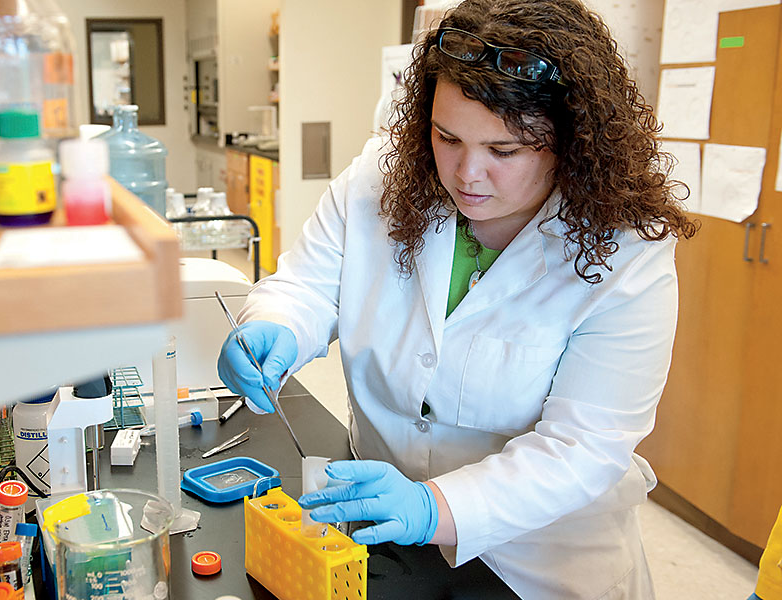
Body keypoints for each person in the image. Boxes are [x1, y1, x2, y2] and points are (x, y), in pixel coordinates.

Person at [217, 0, 697, 597]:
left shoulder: (626, 250)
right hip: (382, 530)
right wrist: (277, 322)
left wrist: (435, 506)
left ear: (571, 144)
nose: (467, 173)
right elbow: (309, 285)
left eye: (505, 151)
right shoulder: (379, 182)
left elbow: (583, 445)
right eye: (448, 137)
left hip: (539, 562)